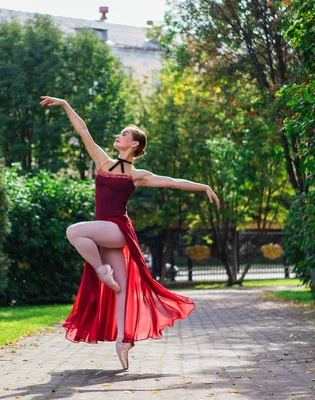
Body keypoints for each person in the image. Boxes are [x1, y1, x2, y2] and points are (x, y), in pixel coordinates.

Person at [39, 96, 221, 370]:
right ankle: (124, 343)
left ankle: (102, 272)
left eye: (123, 134)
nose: (117, 136)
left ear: (134, 144)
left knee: (73, 231)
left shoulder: (137, 174)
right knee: (120, 290)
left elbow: (172, 182)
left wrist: (203, 186)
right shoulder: (102, 160)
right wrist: (65, 104)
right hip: (105, 232)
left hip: (117, 229)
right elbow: (82, 130)